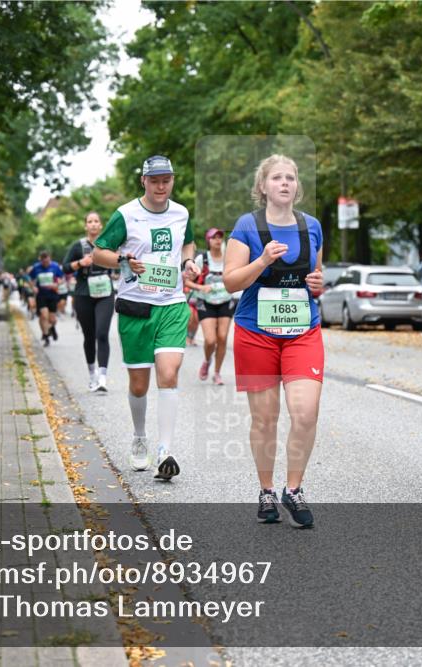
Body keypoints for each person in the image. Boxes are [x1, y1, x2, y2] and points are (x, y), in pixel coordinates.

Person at [223, 154, 324, 529]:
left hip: (302, 331)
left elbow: (316, 279)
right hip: (256, 332)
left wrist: (318, 285)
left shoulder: (311, 226)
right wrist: (263, 260)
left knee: (305, 412)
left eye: (291, 178)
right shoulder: (247, 227)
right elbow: (231, 282)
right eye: (277, 178)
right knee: (265, 418)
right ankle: (266, 489)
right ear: (263, 186)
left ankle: (293, 488)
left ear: (297, 186)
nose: (285, 183)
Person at [92, 155, 199, 480]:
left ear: (172, 180)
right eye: (154, 180)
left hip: (171, 304)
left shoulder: (181, 213)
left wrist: (189, 263)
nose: (161, 186)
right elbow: (99, 252)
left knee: (168, 373)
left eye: (166, 180)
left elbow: (188, 244)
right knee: (139, 385)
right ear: (144, 181)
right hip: (135, 307)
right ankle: (140, 437)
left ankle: (165, 450)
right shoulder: (126, 214)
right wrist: (124, 259)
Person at [64, 211, 115, 392]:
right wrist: (80, 263)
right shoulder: (78, 246)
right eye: (90, 221)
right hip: (83, 293)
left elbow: (119, 262)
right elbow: (65, 267)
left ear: (101, 225)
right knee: (89, 336)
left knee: (102, 333)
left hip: (105, 292)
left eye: (96, 221)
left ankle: (103, 377)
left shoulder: (108, 244)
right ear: (86, 226)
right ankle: (92, 375)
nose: (93, 224)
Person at [186, 228, 235, 385]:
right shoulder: (202, 259)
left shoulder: (229, 259)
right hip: (205, 301)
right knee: (210, 340)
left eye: (220, 237)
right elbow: (186, 280)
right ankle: (207, 361)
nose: (218, 240)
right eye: (214, 237)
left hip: (225, 301)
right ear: (208, 240)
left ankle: (217, 373)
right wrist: (201, 288)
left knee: (222, 338)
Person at [29, 251, 65, 347]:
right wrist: (33, 287)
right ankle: (46, 336)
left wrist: (56, 284)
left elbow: (61, 278)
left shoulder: (55, 266)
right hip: (41, 295)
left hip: (52, 295)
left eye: (47, 261)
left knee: (52, 319)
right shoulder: (36, 267)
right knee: (44, 315)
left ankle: (52, 328)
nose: (46, 264)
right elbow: (31, 280)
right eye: (44, 262)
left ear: (50, 259)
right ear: (40, 260)